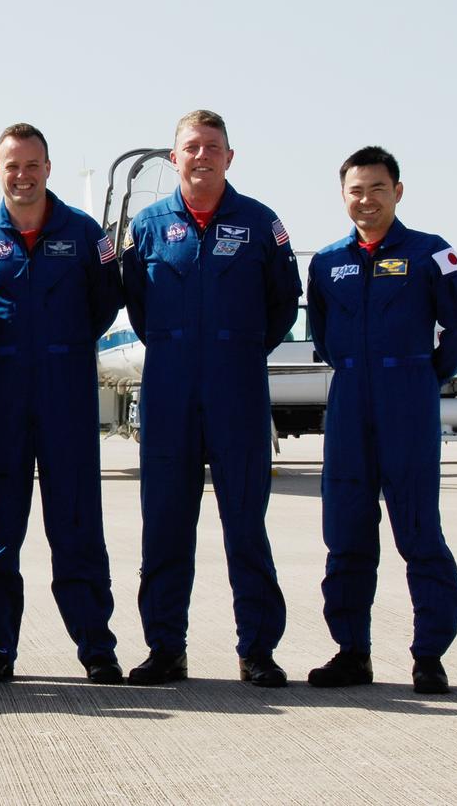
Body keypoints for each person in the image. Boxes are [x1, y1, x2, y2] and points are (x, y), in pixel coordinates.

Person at [120, 109, 300, 687]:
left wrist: (236, 350)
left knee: (246, 524)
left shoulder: (260, 223)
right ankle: (165, 648)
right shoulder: (147, 226)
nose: (201, 156)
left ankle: (258, 651)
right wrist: (179, 350)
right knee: (165, 527)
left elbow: (282, 303)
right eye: (191, 147)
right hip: (169, 393)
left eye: (212, 146)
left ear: (230, 156)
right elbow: (137, 306)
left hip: (238, 391)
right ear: (174, 158)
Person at [305, 146, 457, 694]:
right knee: (346, 533)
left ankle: (428, 655)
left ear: (398, 191)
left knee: (418, 531)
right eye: (356, 190)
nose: (366, 199)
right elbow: (324, 333)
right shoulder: (326, 262)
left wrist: (425, 376)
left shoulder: (434, 253)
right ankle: (351, 652)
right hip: (350, 397)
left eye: (377, 188)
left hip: (407, 395)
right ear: (343, 196)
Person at [0, 123, 124, 684]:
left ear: (48, 168)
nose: (23, 176)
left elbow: (104, 302)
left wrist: (63, 346)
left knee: (77, 525)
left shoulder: (85, 236)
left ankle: (96, 646)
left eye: (32, 165)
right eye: (12, 166)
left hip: (67, 397)